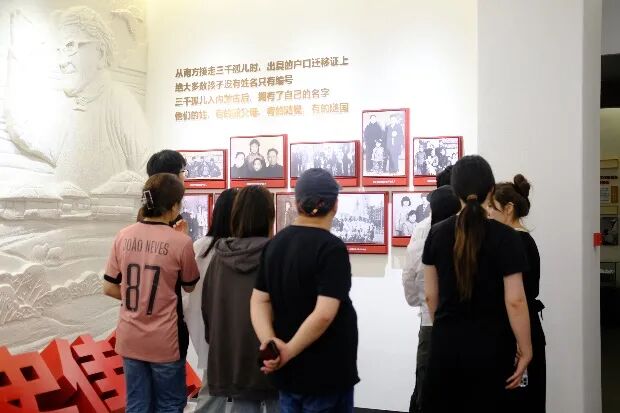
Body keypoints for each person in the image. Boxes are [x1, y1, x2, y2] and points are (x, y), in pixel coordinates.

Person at [421, 155, 532, 413]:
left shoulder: (436, 233)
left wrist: (446, 328)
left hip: (446, 347)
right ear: (491, 190)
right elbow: (515, 301)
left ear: (455, 192)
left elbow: (430, 295)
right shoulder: (508, 237)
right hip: (493, 348)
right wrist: (526, 349)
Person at [251, 168, 359, 413]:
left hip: (288, 372)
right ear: (335, 205)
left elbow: (259, 301)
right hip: (326, 372)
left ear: (297, 203)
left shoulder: (275, 244)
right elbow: (324, 314)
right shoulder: (331, 248)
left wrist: (270, 342)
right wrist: (287, 351)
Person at [102, 173, 199, 412]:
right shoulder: (181, 243)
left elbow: (109, 287)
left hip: (130, 337)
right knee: (170, 405)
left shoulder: (123, 235)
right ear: (174, 206)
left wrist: (139, 296)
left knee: (137, 404)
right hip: (166, 339)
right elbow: (189, 285)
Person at [202, 186, 279, 412]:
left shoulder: (220, 256)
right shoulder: (277, 254)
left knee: (243, 405)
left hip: (233, 353)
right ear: (270, 215)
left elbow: (208, 307)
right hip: (273, 352)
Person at [488, 174, 546, 413]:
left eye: (492, 208)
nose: (488, 214)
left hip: (518, 331)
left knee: (518, 401)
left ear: (508, 209)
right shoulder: (521, 240)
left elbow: (516, 299)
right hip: (523, 327)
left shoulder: (514, 242)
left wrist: (522, 345)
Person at [402, 184, 461, 413]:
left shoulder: (423, 232)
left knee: (425, 385)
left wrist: (418, 302)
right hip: (461, 322)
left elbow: (410, 275)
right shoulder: (467, 235)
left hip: (430, 322)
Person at [186, 189, 238, 412]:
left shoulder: (200, 247)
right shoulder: (239, 248)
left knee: (213, 388)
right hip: (234, 331)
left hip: (204, 327)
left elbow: (187, 293)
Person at [141, 150, 188, 233]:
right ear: (172, 178)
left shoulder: (145, 212)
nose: (185, 177)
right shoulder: (172, 216)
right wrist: (181, 238)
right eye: (183, 171)